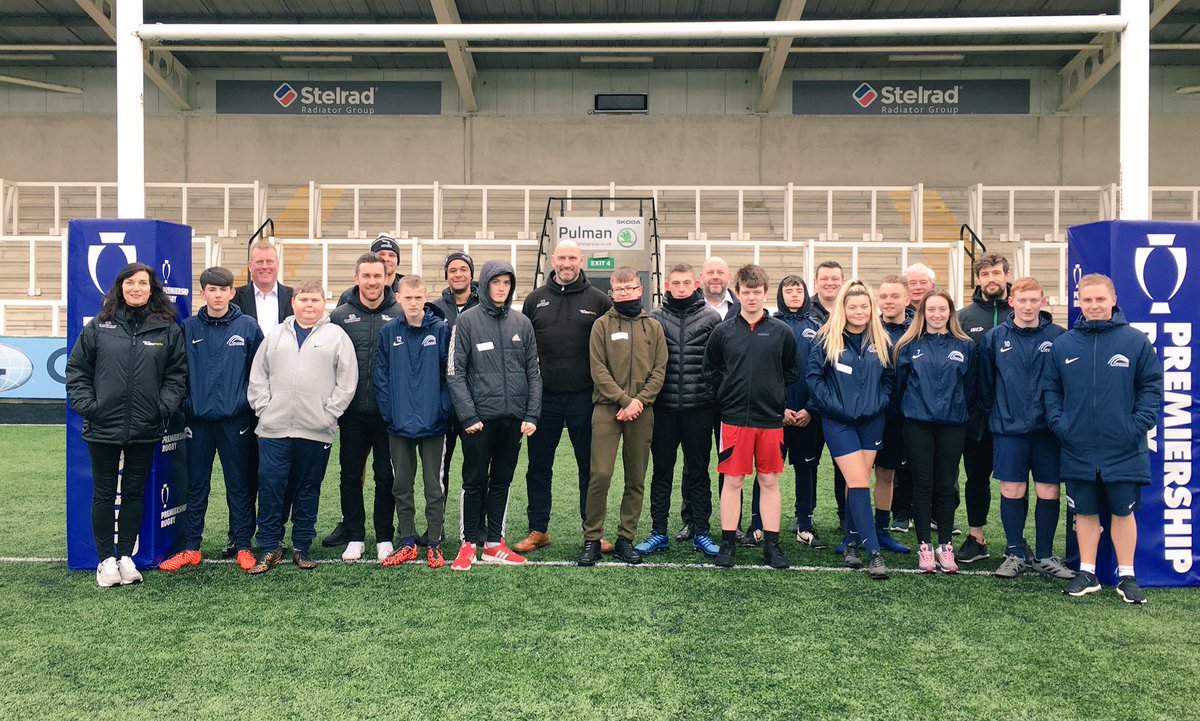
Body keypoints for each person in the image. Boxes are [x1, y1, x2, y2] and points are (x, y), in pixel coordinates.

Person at [66, 262, 187, 587]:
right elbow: (76, 370)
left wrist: (161, 408)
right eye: (130, 283)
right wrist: (89, 407)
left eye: (143, 283)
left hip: (145, 427)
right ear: (120, 287)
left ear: (152, 289)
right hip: (102, 426)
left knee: (134, 492)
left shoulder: (167, 328)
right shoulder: (99, 326)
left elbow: (176, 377)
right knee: (104, 493)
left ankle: (126, 558)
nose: (136, 288)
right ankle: (106, 562)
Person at [1044, 274, 1163, 604]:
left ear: (1113, 299)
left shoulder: (1135, 341)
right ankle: (1088, 573)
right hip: (1077, 445)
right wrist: (1061, 424)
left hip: (1123, 446)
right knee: (1084, 512)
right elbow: (1051, 390)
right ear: (1079, 302)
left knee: (1124, 512)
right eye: (1087, 300)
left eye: (1099, 299)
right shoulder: (1065, 344)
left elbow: (1152, 388)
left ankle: (1127, 576)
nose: (1093, 305)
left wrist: (1134, 426)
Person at [246, 280, 357, 574]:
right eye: (304, 299)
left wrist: (329, 414)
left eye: (315, 300)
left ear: (324, 303)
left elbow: (347, 382)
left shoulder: (336, 336)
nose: (309, 305)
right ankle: (270, 546)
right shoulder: (275, 335)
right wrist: (263, 408)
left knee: (308, 488)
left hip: (315, 429)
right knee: (271, 486)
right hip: (273, 429)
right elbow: (258, 375)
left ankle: (301, 546)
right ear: (293, 302)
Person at [159, 266, 263, 574]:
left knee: (239, 485)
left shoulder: (247, 326)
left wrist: (246, 404)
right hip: (198, 422)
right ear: (202, 293)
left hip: (237, 421)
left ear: (233, 293)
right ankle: (192, 548)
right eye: (211, 290)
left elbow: (261, 372)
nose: (217, 295)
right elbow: (175, 373)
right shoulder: (188, 328)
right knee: (195, 486)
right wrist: (187, 405)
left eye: (224, 290)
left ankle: (243, 545)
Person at [516, 239, 611, 554]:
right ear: (552, 260)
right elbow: (525, 351)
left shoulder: (599, 301)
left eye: (572, 257)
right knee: (539, 466)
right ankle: (538, 529)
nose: (567, 263)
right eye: (562, 257)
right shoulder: (535, 300)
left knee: (589, 466)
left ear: (581, 260)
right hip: (545, 399)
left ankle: (592, 532)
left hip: (586, 398)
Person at [447, 260, 542, 571]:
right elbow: (454, 372)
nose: (502, 288)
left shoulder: (522, 323)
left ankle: (493, 545)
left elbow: (534, 373)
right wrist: (468, 416)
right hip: (478, 421)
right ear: (485, 284)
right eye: (496, 282)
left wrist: (531, 414)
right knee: (474, 480)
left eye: (507, 283)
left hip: (513, 420)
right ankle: (468, 544)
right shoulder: (467, 322)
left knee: (501, 480)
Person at [977, 277, 1074, 580]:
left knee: (1049, 491)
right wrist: (1001, 416)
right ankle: (1015, 552)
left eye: (1034, 300)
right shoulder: (995, 338)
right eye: (1023, 300)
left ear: (1043, 302)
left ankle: (1044, 555)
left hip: (1048, 431)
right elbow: (985, 385)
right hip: (1009, 430)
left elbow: (1067, 385)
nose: (1028, 306)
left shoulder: (1060, 337)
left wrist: (1057, 419)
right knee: (1012, 489)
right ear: (1012, 302)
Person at [703, 264, 799, 570]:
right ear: (739, 293)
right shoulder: (723, 331)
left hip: (770, 420)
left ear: (765, 293)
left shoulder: (780, 331)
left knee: (768, 480)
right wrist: (727, 396)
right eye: (747, 292)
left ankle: (772, 545)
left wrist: (772, 395)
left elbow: (792, 371)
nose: (752, 298)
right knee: (732, 481)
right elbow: (711, 371)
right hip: (733, 420)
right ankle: (728, 544)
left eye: (758, 292)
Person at [578, 268, 667, 566]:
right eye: (620, 288)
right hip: (607, 408)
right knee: (600, 474)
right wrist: (624, 400)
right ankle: (592, 538)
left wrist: (638, 402)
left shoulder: (653, 327)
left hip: (642, 411)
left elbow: (659, 370)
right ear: (612, 292)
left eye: (630, 288)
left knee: (635, 478)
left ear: (640, 289)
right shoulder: (601, 325)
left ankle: (625, 538)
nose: (625, 293)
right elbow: (598, 369)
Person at [806, 280, 894, 580]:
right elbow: (814, 379)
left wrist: (878, 403)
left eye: (864, 306)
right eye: (852, 306)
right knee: (858, 482)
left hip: (872, 421)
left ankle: (852, 542)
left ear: (872, 309)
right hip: (838, 421)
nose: (859, 311)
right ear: (843, 308)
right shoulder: (826, 339)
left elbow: (889, 380)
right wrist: (836, 407)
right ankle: (874, 553)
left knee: (857, 480)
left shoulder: (881, 340)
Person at [637, 264, 722, 557]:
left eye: (687, 282)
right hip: (663, 409)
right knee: (661, 473)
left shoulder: (711, 318)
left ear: (695, 283)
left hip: (699, 409)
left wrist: (710, 395)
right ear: (668, 285)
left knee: (698, 473)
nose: (682, 287)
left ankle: (702, 532)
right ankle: (658, 532)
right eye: (676, 282)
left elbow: (718, 363)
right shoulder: (655, 318)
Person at [324, 252, 402, 562]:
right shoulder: (340, 316)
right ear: (357, 279)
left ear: (387, 278)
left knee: (386, 475)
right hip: (352, 413)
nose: (372, 282)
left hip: (387, 414)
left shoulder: (399, 313)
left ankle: (384, 535)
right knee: (351, 474)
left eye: (377, 276)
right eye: (366, 276)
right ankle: (355, 535)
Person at [894, 290, 976, 574]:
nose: (937, 315)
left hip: (952, 426)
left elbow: (971, 387)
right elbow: (900, 386)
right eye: (931, 310)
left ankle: (945, 545)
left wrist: (958, 411)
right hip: (918, 424)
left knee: (945, 484)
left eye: (942, 309)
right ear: (923, 313)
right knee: (922, 483)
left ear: (950, 312)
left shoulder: (965, 346)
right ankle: (925, 547)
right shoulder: (909, 346)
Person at [376, 275, 452, 569]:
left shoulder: (441, 330)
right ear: (398, 298)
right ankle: (407, 540)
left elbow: (450, 374)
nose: (413, 302)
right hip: (399, 424)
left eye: (418, 297)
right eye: (408, 297)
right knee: (401, 484)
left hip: (434, 423)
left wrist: (443, 410)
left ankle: (433, 542)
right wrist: (389, 412)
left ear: (425, 297)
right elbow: (381, 377)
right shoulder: (389, 332)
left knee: (434, 486)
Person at [229, 240, 294, 557]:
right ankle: (237, 535)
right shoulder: (235, 297)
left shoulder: (293, 297)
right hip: (243, 397)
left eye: (270, 261)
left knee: (279, 473)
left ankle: (276, 534)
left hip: (285, 400)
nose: (264, 266)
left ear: (277, 264)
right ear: (249, 266)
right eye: (258, 262)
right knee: (242, 473)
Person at [956, 253, 1013, 564]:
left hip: (1013, 415)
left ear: (1006, 276)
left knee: (1014, 480)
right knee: (976, 478)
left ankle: (1016, 543)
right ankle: (976, 537)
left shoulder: (1022, 313)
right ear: (977, 279)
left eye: (997, 273)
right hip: (975, 416)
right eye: (985, 274)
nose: (992, 279)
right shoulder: (964, 318)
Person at [430, 250, 483, 545]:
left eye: (463, 269)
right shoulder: (435, 309)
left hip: (477, 405)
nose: (458, 274)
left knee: (475, 471)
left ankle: (477, 528)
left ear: (471, 274)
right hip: (444, 404)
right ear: (446, 275)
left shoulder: (485, 306)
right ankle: (435, 529)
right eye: (452, 270)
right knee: (438, 474)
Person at [771, 275, 827, 548]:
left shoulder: (818, 327)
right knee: (768, 471)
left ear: (806, 293)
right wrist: (778, 408)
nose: (794, 294)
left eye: (798, 290)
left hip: (807, 415)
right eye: (788, 290)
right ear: (780, 294)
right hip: (776, 415)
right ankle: (759, 525)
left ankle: (804, 523)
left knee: (806, 469)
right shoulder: (771, 324)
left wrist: (810, 409)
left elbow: (823, 373)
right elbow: (764, 371)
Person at [872, 275, 914, 552]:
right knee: (858, 475)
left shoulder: (916, 332)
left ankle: (881, 531)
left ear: (907, 300)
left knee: (887, 474)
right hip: (866, 415)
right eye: (884, 296)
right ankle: (854, 532)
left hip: (899, 417)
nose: (888, 301)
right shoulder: (867, 328)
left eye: (894, 296)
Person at [336, 233, 404, 305]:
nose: (386, 258)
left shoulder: (407, 291)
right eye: (381, 254)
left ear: (397, 260)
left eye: (392, 255)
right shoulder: (349, 296)